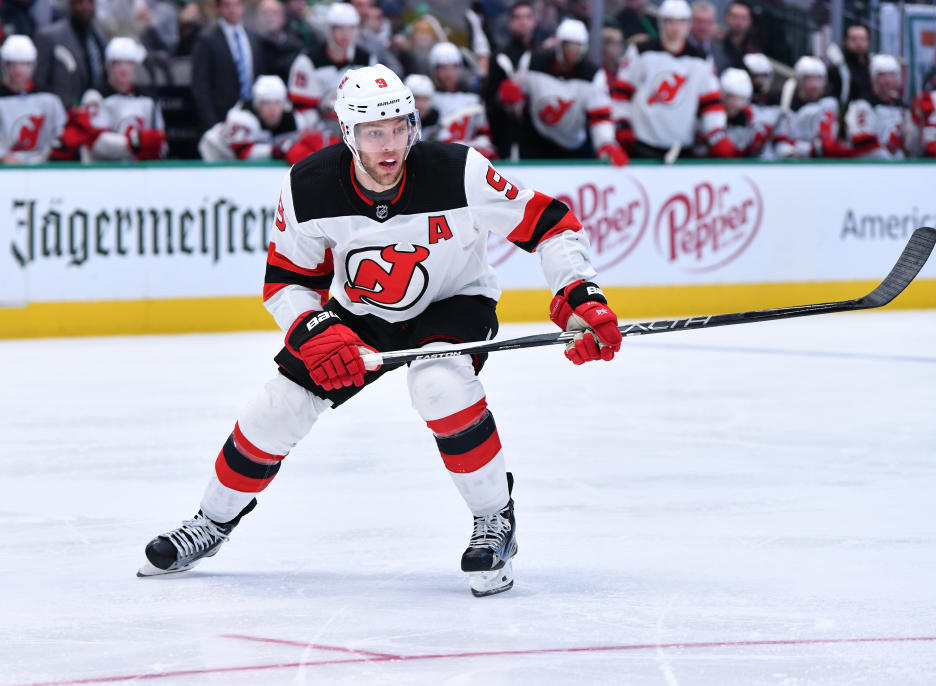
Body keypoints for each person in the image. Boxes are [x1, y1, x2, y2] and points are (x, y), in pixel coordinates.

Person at [137, 63, 623, 598]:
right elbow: (285, 283)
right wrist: (316, 329)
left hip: (452, 302)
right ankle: (210, 522)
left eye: (399, 128)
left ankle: (495, 520)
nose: (390, 145)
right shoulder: (308, 185)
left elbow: (550, 224)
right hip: (358, 314)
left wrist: (581, 294)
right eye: (373, 132)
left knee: (439, 386)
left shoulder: (457, 170)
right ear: (348, 133)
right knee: (276, 408)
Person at [612, 0, 735, 159]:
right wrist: (622, 124)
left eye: (681, 22)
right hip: (642, 143)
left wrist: (716, 133)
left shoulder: (701, 59)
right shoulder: (640, 52)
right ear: (661, 23)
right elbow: (622, 93)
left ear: (688, 24)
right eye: (669, 21)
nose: (675, 27)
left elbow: (711, 103)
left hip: (682, 146)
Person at [497, 18, 627, 164]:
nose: (572, 52)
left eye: (577, 47)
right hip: (536, 141)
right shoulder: (533, 63)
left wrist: (606, 143)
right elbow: (516, 106)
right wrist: (509, 99)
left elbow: (601, 116)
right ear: (559, 44)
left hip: (575, 145)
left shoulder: (593, 75)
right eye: (569, 47)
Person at [198, 73, 322, 162]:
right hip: (218, 152)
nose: (273, 109)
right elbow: (243, 154)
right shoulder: (243, 118)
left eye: (277, 103)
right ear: (258, 104)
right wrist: (280, 151)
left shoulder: (294, 121)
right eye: (267, 103)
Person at [79, 36, 166, 161]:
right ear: (108, 66)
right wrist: (134, 143)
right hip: (103, 170)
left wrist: (151, 145)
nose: (124, 69)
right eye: (118, 63)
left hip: (139, 171)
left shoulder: (148, 100)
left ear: (135, 66)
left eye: (129, 63)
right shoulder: (95, 97)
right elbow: (94, 141)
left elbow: (161, 142)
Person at [191, 0, 266, 132]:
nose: (232, 10)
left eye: (237, 4)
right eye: (227, 5)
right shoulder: (207, 39)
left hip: (252, 114)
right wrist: (212, 123)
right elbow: (200, 85)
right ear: (219, 8)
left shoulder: (253, 37)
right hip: (221, 117)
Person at [287, 2, 376, 112]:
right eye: (339, 28)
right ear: (329, 30)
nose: (345, 34)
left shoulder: (367, 60)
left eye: (350, 28)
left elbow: (372, 105)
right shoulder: (307, 62)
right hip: (319, 126)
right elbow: (302, 112)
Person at [0, 34, 69, 163]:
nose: (18, 70)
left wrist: (50, 155)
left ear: (33, 65)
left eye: (24, 64)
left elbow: (60, 135)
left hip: (44, 167)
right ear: (5, 66)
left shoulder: (49, 98)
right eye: (12, 64)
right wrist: (3, 157)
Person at [483, 0, 537, 159]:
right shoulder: (500, 56)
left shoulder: (543, 54)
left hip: (539, 133)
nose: (523, 22)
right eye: (518, 17)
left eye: (527, 17)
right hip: (508, 133)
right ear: (510, 23)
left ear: (534, 21)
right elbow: (489, 98)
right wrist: (502, 97)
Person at [32, 0, 106, 109]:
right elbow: (38, 82)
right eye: (80, 3)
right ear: (71, 5)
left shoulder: (98, 38)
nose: (86, 7)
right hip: (62, 113)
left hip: (93, 111)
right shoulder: (50, 37)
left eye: (90, 3)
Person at [426, 41, 495, 157]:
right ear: (433, 70)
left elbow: (484, 133)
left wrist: (479, 145)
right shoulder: (426, 98)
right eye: (443, 68)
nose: (449, 74)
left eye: (454, 67)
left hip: (465, 159)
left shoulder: (473, 99)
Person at [779, 56, 851, 158]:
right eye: (809, 79)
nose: (815, 85)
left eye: (819, 78)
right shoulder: (786, 105)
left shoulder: (830, 104)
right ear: (799, 80)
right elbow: (781, 145)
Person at [844, 54, 906, 159]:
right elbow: (862, 144)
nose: (888, 81)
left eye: (893, 75)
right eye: (882, 76)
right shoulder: (862, 105)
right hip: (870, 169)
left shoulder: (902, 107)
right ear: (873, 79)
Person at [715, 67, 767, 157]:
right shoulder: (710, 117)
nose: (737, 104)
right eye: (732, 97)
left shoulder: (749, 120)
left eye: (742, 99)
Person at [827, 22, 871, 109]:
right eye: (854, 39)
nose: (859, 44)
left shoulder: (872, 68)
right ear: (845, 42)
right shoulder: (838, 69)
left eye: (863, 39)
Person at [712, 0, 755, 75]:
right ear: (726, 17)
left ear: (750, 21)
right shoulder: (714, 43)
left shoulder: (753, 53)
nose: (738, 22)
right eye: (735, 16)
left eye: (743, 18)